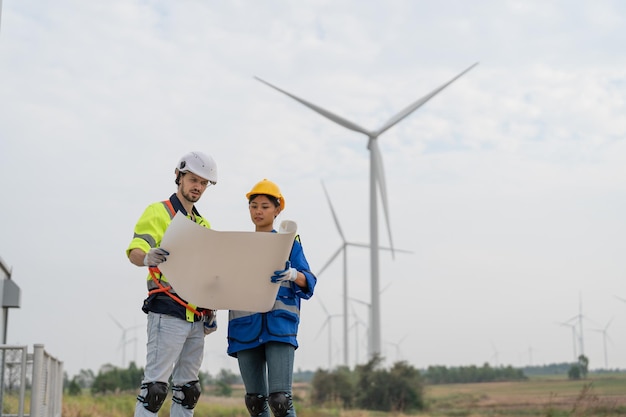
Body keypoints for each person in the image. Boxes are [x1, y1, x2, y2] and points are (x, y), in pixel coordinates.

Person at [126, 151, 219, 417]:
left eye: (203, 183)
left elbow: (207, 272)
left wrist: (210, 309)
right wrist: (146, 257)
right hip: (167, 308)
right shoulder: (158, 212)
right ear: (179, 176)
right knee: (155, 390)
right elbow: (135, 250)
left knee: (188, 391)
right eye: (193, 180)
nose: (198, 187)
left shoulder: (203, 224)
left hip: (196, 316)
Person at [227, 179, 317, 417]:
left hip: (279, 324)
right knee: (255, 403)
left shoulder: (289, 243)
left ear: (278, 210)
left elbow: (310, 282)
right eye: (254, 205)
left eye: (265, 206)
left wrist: (294, 274)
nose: (258, 211)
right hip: (244, 327)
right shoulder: (238, 247)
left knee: (280, 401)